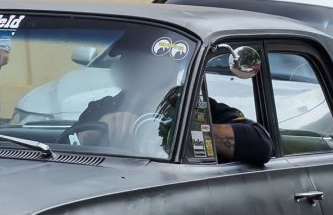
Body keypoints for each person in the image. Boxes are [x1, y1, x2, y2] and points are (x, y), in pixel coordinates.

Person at [73, 35, 272, 165]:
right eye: (127, 57)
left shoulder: (201, 108)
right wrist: (101, 128)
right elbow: (71, 144)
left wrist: (178, 133)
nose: (130, 64)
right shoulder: (102, 107)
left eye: (144, 58)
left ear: (174, 63)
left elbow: (260, 143)